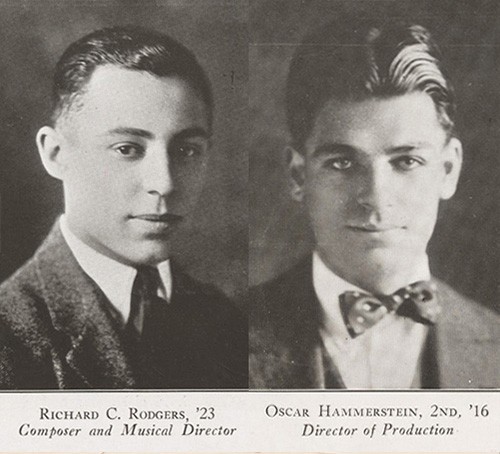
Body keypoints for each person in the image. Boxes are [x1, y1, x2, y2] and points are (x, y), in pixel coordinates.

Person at [249, 19, 499, 389]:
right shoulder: (223, 335)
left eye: (406, 161)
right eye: (342, 163)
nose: (376, 198)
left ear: (448, 170)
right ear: (299, 175)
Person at [0, 26, 247, 389]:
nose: (164, 183)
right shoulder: (10, 335)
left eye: (186, 150)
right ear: (55, 154)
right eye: (127, 149)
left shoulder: (226, 320)